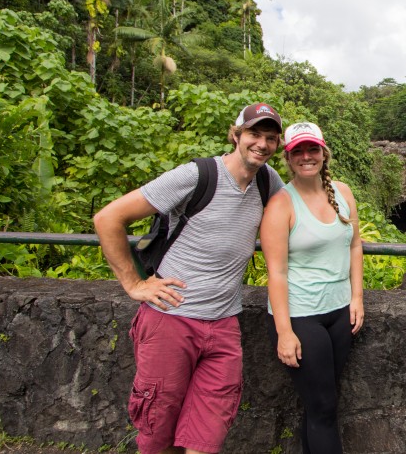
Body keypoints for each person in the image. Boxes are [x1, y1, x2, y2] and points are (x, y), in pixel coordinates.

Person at [93, 103, 285, 454]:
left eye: (271, 138)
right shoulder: (197, 175)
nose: (262, 144)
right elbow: (108, 219)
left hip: (224, 324)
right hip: (171, 319)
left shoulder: (267, 181)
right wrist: (134, 284)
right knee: (157, 431)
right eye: (254, 134)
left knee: (206, 436)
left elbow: (296, 217)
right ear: (236, 134)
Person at [261, 121, 364, 454]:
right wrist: (284, 332)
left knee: (322, 405)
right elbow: (275, 272)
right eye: (298, 151)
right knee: (323, 408)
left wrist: (357, 297)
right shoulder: (281, 204)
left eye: (312, 149)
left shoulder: (343, 192)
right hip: (302, 316)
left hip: (340, 312)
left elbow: (355, 246)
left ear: (323, 152)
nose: (307, 156)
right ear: (288, 159)